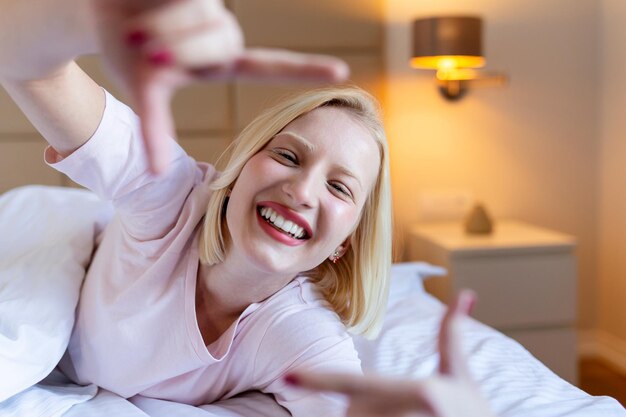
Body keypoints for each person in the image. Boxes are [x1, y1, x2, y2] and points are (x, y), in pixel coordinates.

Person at [0, 0, 498, 416]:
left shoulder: (299, 331)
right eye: (287, 155)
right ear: (239, 171)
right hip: (57, 234)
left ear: (344, 244)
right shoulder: (169, 196)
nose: (302, 191)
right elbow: (25, 64)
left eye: (339, 188)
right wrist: (76, 19)